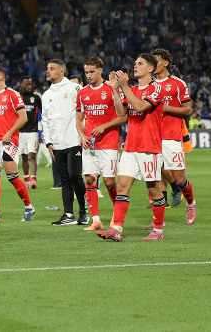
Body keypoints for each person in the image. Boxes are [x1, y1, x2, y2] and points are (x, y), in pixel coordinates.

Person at [97, 55, 167, 241]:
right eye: (135, 63)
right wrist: (114, 89)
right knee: (122, 187)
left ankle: (158, 231)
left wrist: (124, 86)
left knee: (153, 189)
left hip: (149, 147)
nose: (135, 66)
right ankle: (117, 229)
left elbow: (141, 107)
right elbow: (121, 113)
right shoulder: (133, 89)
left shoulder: (157, 88)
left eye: (140, 63)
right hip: (130, 147)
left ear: (151, 69)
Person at [0, 66, 35, 224]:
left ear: (0, 78)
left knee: (13, 178)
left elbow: (23, 118)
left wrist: (9, 133)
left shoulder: (12, 95)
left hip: (8, 142)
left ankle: (29, 207)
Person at [75, 57, 125, 231]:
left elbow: (123, 116)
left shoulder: (110, 89)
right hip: (90, 143)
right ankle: (96, 220)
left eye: (91, 72)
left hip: (109, 142)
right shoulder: (82, 93)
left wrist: (104, 126)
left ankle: (116, 216)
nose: (88, 75)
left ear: (100, 70)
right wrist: (82, 135)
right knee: (89, 179)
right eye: (86, 72)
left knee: (109, 181)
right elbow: (79, 119)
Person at [150, 49, 196, 224]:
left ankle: (191, 203)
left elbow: (187, 110)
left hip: (171, 136)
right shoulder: (149, 85)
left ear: (165, 63)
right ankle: (157, 220)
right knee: (153, 177)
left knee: (179, 179)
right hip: (153, 137)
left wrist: (166, 108)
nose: (153, 64)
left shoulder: (178, 84)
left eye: (156, 61)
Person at [41, 59, 86, 226]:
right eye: (47, 68)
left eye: (51, 69)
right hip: (56, 143)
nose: (48, 71)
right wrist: (48, 142)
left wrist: (83, 135)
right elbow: (44, 120)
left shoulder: (75, 89)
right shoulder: (46, 95)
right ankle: (68, 214)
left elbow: (84, 113)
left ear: (61, 72)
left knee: (75, 176)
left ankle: (83, 211)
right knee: (65, 179)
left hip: (74, 140)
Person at [17, 77, 43, 189]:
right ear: (21, 84)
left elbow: (43, 112)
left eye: (30, 84)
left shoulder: (36, 97)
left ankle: (33, 178)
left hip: (32, 132)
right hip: (20, 132)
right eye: (26, 84)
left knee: (31, 155)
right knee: (23, 156)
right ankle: (26, 178)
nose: (29, 87)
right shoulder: (17, 97)